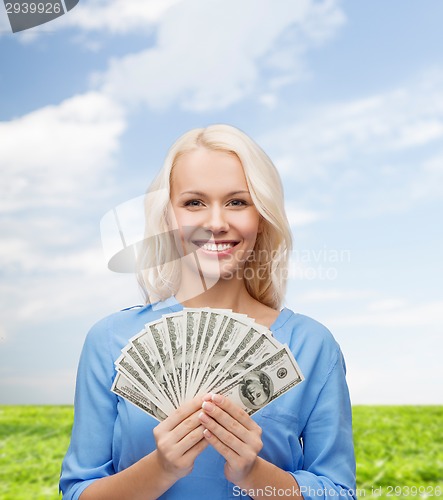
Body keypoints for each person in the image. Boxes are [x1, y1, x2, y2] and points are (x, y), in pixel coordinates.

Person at [60, 124, 357, 499]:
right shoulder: (109, 340)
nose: (216, 223)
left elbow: (340, 492)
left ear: (262, 216)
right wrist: (161, 468)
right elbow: (78, 492)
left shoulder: (313, 345)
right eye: (194, 202)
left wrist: (254, 474)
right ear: (168, 217)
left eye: (237, 202)